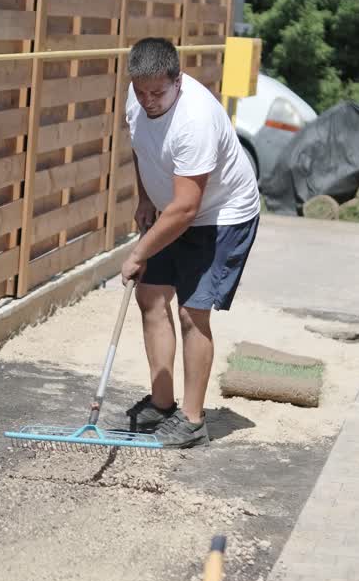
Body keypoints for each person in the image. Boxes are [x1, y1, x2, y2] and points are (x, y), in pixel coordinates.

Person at [111, 37, 261, 448]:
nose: (148, 101)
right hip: (172, 208)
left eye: (157, 93)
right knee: (151, 297)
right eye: (141, 92)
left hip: (221, 215)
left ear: (178, 81)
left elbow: (187, 210)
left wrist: (138, 252)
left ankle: (193, 421)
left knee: (193, 313)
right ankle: (161, 406)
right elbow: (142, 148)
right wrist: (144, 197)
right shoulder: (138, 95)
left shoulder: (195, 119)